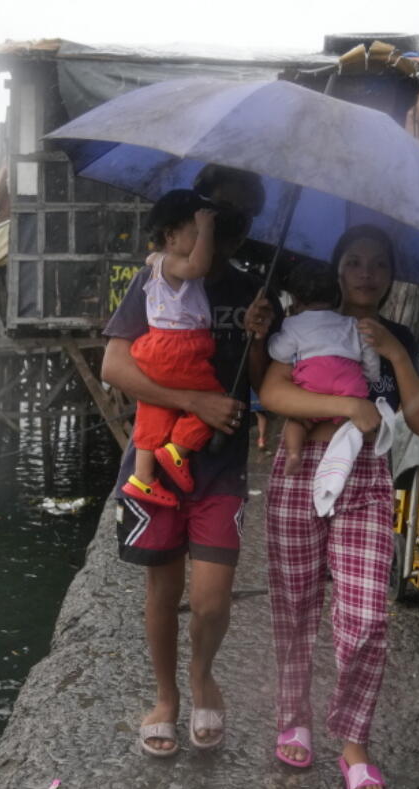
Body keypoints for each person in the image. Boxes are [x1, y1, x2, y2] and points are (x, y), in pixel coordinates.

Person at [101, 165, 277, 758]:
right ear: (194, 212)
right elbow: (115, 368)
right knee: (161, 588)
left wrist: (257, 337)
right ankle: (166, 697)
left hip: (221, 466)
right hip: (158, 459)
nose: (227, 224)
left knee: (211, 599)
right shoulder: (155, 279)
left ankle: (203, 674)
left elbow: (260, 385)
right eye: (217, 210)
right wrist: (191, 400)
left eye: (241, 217)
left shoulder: (256, 290)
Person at [259, 225, 419, 789]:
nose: (366, 273)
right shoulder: (306, 324)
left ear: (390, 275)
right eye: (354, 262)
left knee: (366, 617)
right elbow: (275, 392)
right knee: (295, 599)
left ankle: (354, 742)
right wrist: (346, 404)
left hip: (365, 472)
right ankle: (294, 717)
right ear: (337, 269)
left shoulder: (401, 336)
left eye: (378, 264)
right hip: (301, 466)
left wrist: (390, 351)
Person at [123, 190, 221, 508]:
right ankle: (179, 448)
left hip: (156, 346)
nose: (207, 241)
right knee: (215, 400)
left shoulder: (156, 261)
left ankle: (142, 476)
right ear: (171, 236)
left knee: (153, 408)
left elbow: (169, 261)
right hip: (180, 345)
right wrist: (206, 226)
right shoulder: (178, 263)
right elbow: (197, 267)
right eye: (196, 234)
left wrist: (199, 232)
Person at [267, 259, 380, 479]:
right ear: (337, 297)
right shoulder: (352, 324)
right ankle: (343, 464)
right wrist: (370, 376)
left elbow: (278, 352)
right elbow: (371, 358)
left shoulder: (293, 324)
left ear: (296, 300)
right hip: (349, 383)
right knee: (350, 424)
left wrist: (271, 339)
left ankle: (293, 454)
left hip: (312, 384)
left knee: (297, 420)